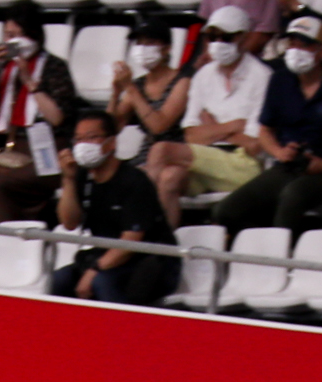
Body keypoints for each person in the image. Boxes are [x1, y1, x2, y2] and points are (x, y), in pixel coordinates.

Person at [215, 15, 322, 234]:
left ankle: (285, 257)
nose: (296, 50)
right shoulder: (279, 80)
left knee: (293, 195)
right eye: (292, 43)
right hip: (288, 165)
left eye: (304, 44)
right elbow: (265, 130)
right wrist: (279, 152)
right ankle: (261, 246)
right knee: (225, 211)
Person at [147, 6, 267, 225]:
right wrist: (232, 127)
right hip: (204, 158)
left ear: (244, 37)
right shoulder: (203, 76)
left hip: (244, 165)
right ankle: (163, 248)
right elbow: (191, 136)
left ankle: (139, 230)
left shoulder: (263, 77)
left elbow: (254, 146)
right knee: (169, 177)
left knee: (161, 150)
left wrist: (212, 127)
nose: (218, 43)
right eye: (212, 36)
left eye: (226, 37)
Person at [0, 0, 78, 224]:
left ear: (33, 34)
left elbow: (57, 117)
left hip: (49, 150)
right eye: (8, 34)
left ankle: (9, 244)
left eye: (19, 34)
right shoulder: (4, 67)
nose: (12, 41)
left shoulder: (55, 67)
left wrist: (31, 83)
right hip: (14, 147)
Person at [51, 109, 177, 305]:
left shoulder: (134, 181)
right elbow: (69, 222)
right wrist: (68, 178)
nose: (83, 145)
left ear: (111, 142)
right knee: (59, 280)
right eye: (78, 139)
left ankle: (121, 333)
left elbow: (131, 242)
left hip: (149, 262)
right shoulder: (83, 176)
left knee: (102, 282)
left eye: (91, 138)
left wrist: (95, 270)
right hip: (108, 258)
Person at [110, 21, 186, 176]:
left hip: (175, 154)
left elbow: (159, 126)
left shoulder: (182, 81)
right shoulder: (139, 84)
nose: (142, 49)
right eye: (139, 43)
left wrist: (130, 88)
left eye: (150, 43)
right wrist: (116, 93)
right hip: (145, 155)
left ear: (167, 48)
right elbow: (111, 128)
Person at [201, 0, 279, 55]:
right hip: (214, 56)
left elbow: (264, 32)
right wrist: (212, 55)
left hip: (251, 56)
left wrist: (236, 58)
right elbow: (207, 27)